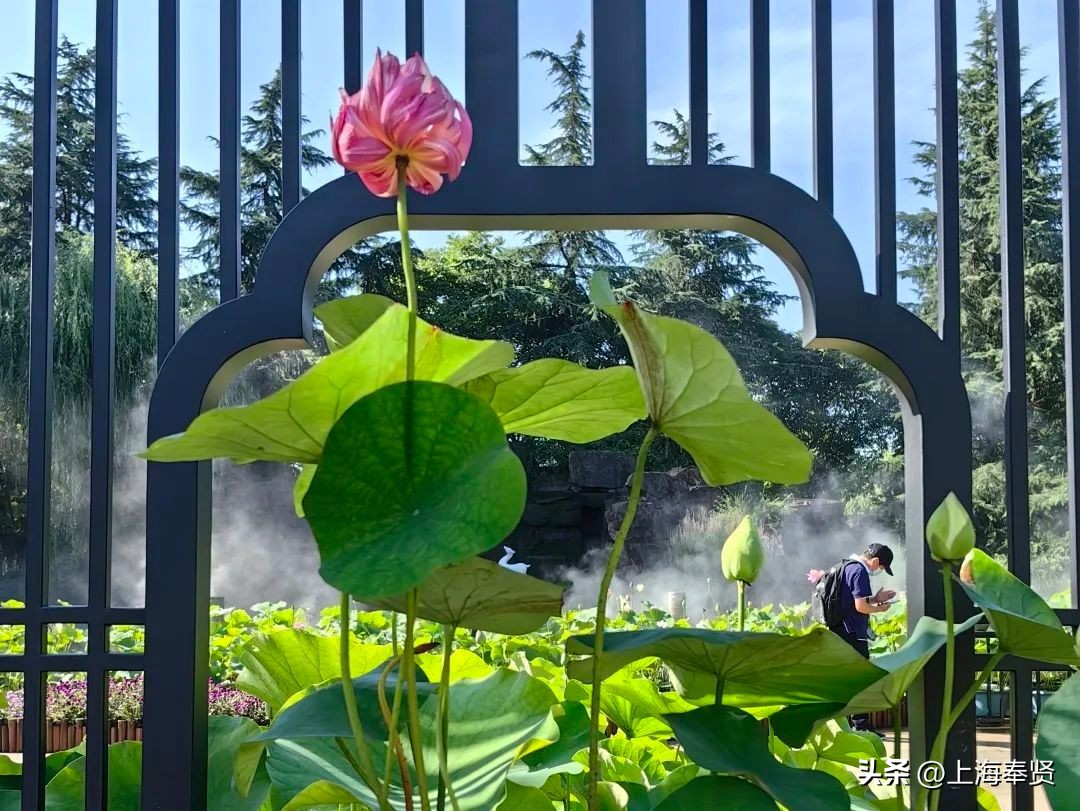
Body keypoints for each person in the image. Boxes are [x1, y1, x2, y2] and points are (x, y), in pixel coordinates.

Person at [810, 543, 897, 733]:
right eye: (881, 567)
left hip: (839, 631)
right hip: (852, 634)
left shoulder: (846, 566)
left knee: (843, 679)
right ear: (875, 561)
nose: (879, 571)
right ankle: (861, 725)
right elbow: (860, 607)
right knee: (861, 679)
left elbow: (852, 602)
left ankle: (844, 725)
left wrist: (875, 599)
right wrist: (880, 609)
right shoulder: (860, 571)